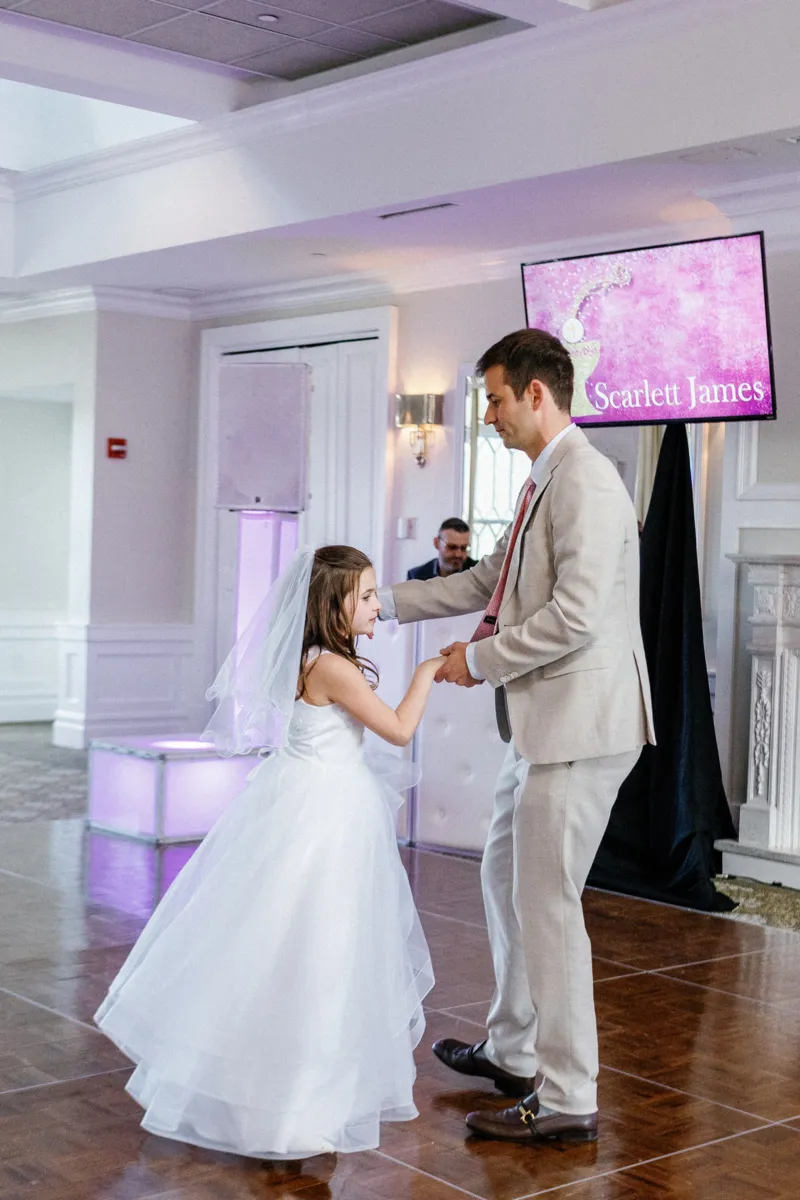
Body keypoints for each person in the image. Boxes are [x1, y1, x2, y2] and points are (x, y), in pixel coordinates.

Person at [378, 329, 654, 1146]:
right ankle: (512, 1048)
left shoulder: (589, 484)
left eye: (494, 399)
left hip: (582, 725)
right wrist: (379, 602)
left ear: (538, 394)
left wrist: (476, 661)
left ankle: (568, 1096)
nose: (488, 415)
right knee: (505, 879)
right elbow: (482, 580)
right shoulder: (542, 481)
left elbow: (575, 617)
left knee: (549, 904)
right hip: (539, 722)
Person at [95, 545, 442, 1160]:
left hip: (312, 804)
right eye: (363, 596)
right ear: (331, 604)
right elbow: (399, 730)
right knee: (317, 955)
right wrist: (425, 676)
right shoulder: (333, 667)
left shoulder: (315, 658)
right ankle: (289, 1113)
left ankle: (285, 1105)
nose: (374, 604)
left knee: (300, 952)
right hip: (324, 819)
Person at [407, 517, 477, 580]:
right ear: (436, 543)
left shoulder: (478, 573)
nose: (458, 554)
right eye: (452, 547)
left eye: (463, 548)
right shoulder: (416, 576)